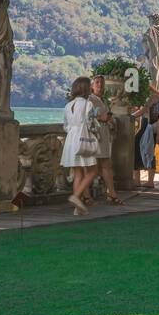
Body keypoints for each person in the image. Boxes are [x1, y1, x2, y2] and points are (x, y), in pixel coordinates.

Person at [60, 77, 101, 215]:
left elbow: (65, 126)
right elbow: (91, 124)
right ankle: (76, 196)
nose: (91, 88)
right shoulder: (87, 104)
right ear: (85, 88)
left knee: (78, 173)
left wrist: (73, 130)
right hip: (83, 138)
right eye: (90, 86)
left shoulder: (67, 106)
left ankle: (77, 208)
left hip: (70, 139)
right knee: (93, 171)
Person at [89, 75, 121, 205]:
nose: (100, 85)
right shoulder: (90, 100)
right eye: (97, 82)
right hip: (95, 136)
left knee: (104, 165)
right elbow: (103, 118)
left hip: (103, 135)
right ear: (92, 86)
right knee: (97, 166)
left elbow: (106, 118)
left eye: (101, 83)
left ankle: (110, 193)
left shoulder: (102, 100)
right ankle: (108, 194)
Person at [134, 89, 159, 190]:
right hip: (151, 128)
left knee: (143, 151)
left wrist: (132, 116)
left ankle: (147, 181)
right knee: (147, 152)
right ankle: (142, 180)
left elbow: (144, 110)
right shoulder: (157, 98)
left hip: (148, 127)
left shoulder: (153, 97)